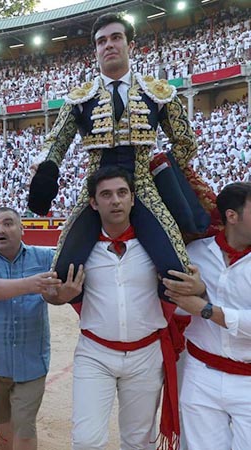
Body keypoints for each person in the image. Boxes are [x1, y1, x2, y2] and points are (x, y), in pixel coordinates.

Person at [28, 12, 207, 303]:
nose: (108, 45)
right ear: (96, 51)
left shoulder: (158, 92)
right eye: (101, 41)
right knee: (62, 271)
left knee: (177, 270)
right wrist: (47, 167)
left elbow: (185, 141)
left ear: (129, 45)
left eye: (115, 38)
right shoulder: (79, 97)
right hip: (95, 191)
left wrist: (166, 172)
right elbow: (56, 141)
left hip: (143, 187)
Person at [45, 166, 202, 450]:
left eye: (121, 193)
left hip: (146, 355)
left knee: (138, 442)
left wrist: (198, 287)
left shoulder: (158, 248)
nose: (115, 200)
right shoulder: (80, 249)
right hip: (95, 354)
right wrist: (60, 297)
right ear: (93, 203)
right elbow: (53, 294)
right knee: (86, 441)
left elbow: (193, 288)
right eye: (106, 195)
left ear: (132, 199)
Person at [163, 182, 251, 450]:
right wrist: (192, 294)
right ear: (232, 216)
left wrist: (205, 308)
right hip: (201, 375)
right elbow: (174, 306)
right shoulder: (195, 254)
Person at [0, 207, 59, 450]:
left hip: (31, 360)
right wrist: (32, 284)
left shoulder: (45, 257)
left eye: (8, 223)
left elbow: (65, 286)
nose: (1, 229)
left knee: (25, 427)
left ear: (22, 229)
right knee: (2, 426)